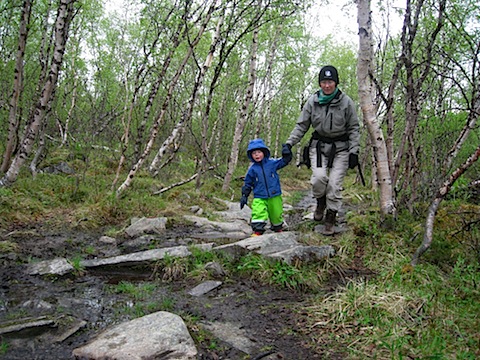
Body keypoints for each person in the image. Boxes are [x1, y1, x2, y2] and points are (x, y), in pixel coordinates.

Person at [283, 65, 360, 235]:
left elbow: (354, 128)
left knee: (334, 184)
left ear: (336, 83)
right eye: (324, 82)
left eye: (330, 81)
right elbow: (301, 125)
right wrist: (289, 144)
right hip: (318, 146)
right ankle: (320, 203)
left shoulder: (346, 102)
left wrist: (354, 151)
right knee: (318, 179)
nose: (327, 85)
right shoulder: (313, 101)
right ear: (320, 83)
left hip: (341, 149)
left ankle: (331, 216)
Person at [240, 138, 292, 236]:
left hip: (274, 195)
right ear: (251, 155)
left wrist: (287, 154)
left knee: (276, 214)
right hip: (259, 196)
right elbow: (248, 183)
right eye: (254, 153)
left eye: (259, 152)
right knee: (258, 212)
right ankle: (258, 231)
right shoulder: (252, 170)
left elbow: (284, 161)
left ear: (264, 152)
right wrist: (244, 196)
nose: (256, 155)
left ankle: (277, 228)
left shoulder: (272, 163)